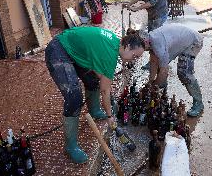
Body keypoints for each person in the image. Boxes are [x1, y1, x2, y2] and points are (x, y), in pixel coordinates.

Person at [45, 26, 145, 163]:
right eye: (134, 56)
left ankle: (95, 110)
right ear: (127, 47)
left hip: (73, 48)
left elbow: (100, 75)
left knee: (92, 80)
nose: (134, 60)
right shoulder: (110, 55)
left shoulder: (116, 44)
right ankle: (71, 146)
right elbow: (105, 90)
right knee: (74, 98)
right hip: (58, 50)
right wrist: (110, 116)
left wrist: (108, 97)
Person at [140, 23, 204, 117]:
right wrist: (150, 82)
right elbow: (153, 62)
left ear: (145, 42)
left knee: (184, 73)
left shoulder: (158, 46)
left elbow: (164, 71)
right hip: (182, 39)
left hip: (193, 42)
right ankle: (162, 87)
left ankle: (199, 103)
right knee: (159, 66)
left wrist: (154, 87)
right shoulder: (151, 39)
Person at [123, 0, 168, 69]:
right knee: (151, 39)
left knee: (154, 40)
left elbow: (152, 2)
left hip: (159, 14)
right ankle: (153, 61)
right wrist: (129, 4)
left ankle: (157, 63)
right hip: (152, 14)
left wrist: (137, 8)